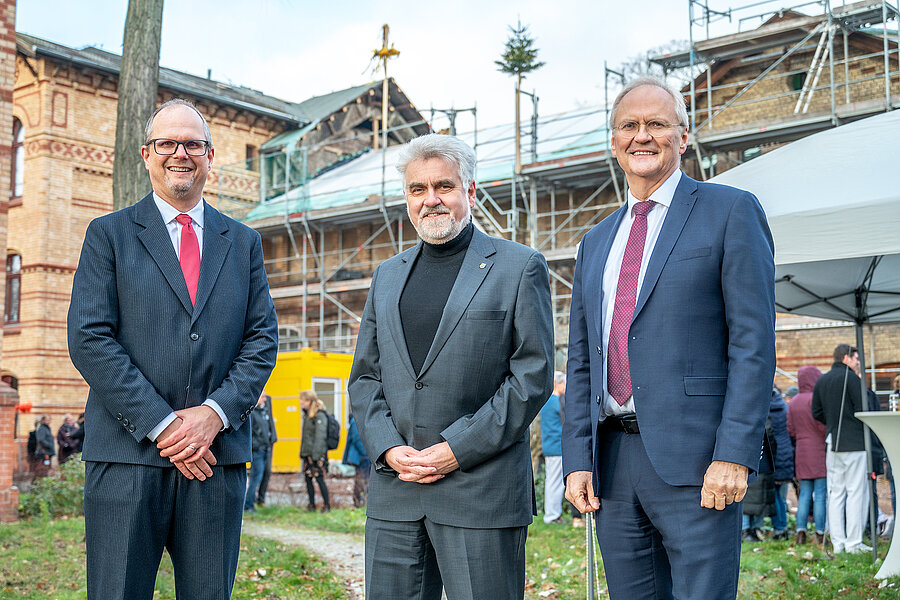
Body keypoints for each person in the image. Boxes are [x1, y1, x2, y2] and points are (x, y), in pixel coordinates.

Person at [562, 76, 775, 600]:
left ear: (683, 137)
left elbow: (752, 343)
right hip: (612, 465)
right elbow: (582, 358)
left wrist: (735, 454)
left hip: (699, 462)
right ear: (613, 143)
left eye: (656, 124)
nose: (642, 136)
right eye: (629, 126)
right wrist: (577, 459)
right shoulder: (595, 241)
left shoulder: (730, 211)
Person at [67, 98, 278, 600]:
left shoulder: (243, 242)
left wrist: (213, 415)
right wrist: (164, 424)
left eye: (192, 144)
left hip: (215, 459)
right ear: (146, 154)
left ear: (210, 155)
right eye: (167, 143)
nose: (179, 153)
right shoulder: (108, 236)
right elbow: (89, 337)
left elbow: (261, 340)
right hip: (126, 457)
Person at [349, 133, 553, 600]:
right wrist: (386, 448)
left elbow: (532, 377)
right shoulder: (388, 274)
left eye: (444, 186)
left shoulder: (519, 267)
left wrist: (456, 448)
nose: (431, 200)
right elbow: (364, 377)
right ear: (407, 198)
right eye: (417, 189)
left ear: (471, 191)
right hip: (396, 490)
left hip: (480, 490)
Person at [811, 344, 870, 554]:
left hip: (832, 441)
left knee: (835, 493)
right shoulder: (852, 379)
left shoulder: (822, 379)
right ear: (846, 358)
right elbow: (863, 409)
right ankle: (853, 543)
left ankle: (838, 543)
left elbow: (816, 411)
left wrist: (832, 422)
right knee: (855, 492)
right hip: (854, 442)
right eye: (856, 359)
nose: (858, 363)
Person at [786, 366, 826, 545]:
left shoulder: (793, 402)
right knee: (820, 493)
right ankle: (820, 532)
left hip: (801, 451)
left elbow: (790, 430)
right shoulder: (817, 399)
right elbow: (823, 426)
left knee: (803, 494)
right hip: (818, 450)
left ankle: (800, 531)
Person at [245, 392, 277, 513]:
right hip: (258, 450)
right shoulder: (252, 413)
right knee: (255, 477)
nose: (265, 400)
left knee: (264, 474)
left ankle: (257, 502)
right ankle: (248, 505)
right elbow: (251, 434)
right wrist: (257, 446)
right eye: (262, 397)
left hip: (266, 447)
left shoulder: (263, 410)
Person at [540, 371, 566, 523]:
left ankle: (551, 514)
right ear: (557, 383)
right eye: (563, 383)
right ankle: (552, 516)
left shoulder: (546, 401)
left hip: (549, 445)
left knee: (551, 481)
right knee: (556, 483)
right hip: (557, 447)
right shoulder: (557, 402)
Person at [769, 388, 794, 540]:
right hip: (785, 453)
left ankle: (779, 528)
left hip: (773, 453)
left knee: (774, 494)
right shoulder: (784, 407)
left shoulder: (766, 408)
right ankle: (782, 526)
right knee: (780, 494)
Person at [299, 390, 330, 512]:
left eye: (303, 400)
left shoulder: (319, 415)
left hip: (316, 454)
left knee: (319, 479)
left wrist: (317, 455)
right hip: (308, 454)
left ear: (309, 401)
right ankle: (311, 506)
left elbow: (320, 436)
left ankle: (327, 506)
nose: (301, 403)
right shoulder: (307, 415)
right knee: (308, 479)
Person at [342, 412, 371, 507]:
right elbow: (357, 439)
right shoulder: (356, 422)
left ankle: (359, 502)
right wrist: (366, 453)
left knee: (361, 479)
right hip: (361, 457)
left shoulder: (355, 421)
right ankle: (359, 502)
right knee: (363, 479)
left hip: (360, 456)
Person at [256, 393, 277, 507]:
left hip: (269, 442)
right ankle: (251, 501)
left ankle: (261, 499)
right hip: (258, 445)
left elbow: (270, 420)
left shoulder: (267, 400)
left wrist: (273, 437)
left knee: (267, 472)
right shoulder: (253, 399)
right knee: (257, 474)